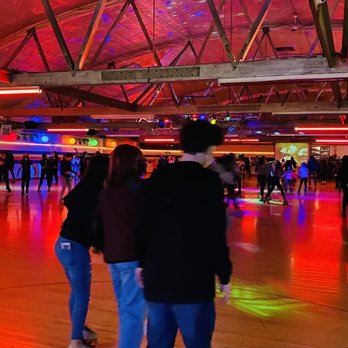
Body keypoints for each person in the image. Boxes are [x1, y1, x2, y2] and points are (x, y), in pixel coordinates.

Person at [136, 120, 232, 348]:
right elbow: (215, 234)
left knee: (158, 343)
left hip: (157, 277)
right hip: (193, 281)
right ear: (208, 148)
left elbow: (142, 226)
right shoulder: (208, 183)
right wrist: (224, 275)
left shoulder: (156, 179)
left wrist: (141, 264)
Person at [94, 145, 146, 348]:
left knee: (127, 308)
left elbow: (98, 222)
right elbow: (144, 226)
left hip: (114, 257)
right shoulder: (138, 190)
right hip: (132, 258)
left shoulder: (106, 189)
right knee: (132, 311)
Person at [55, 155, 109, 348]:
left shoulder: (84, 186)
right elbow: (95, 225)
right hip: (75, 249)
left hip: (62, 244)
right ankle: (76, 340)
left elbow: (67, 202)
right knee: (82, 295)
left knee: (77, 293)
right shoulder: (99, 193)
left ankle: (80, 330)